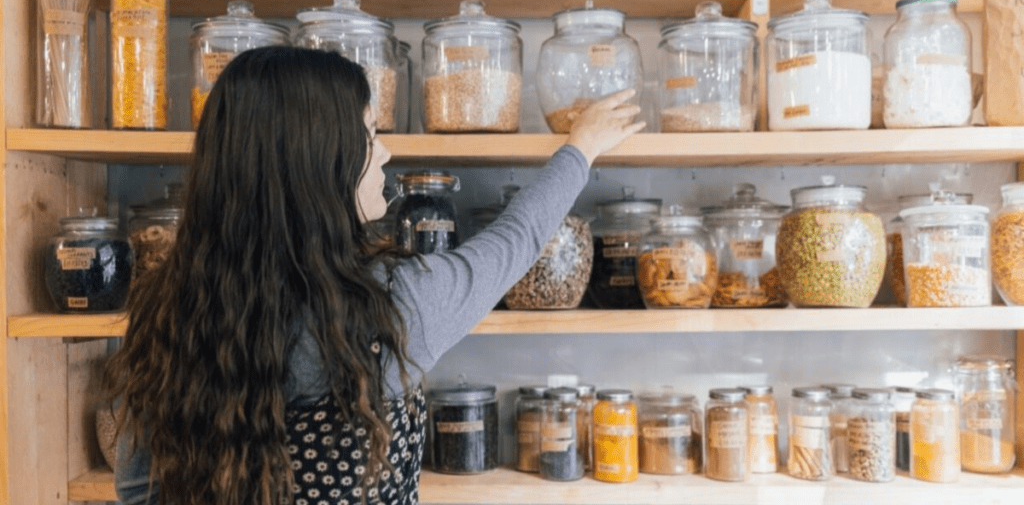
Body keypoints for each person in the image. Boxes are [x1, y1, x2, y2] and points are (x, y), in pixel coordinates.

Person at [103, 46, 643, 505]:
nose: (385, 152)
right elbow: (516, 242)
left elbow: (137, 490)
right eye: (369, 134)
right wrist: (582, 147)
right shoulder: (390, 308)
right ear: (319, 163)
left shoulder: (168, 308)